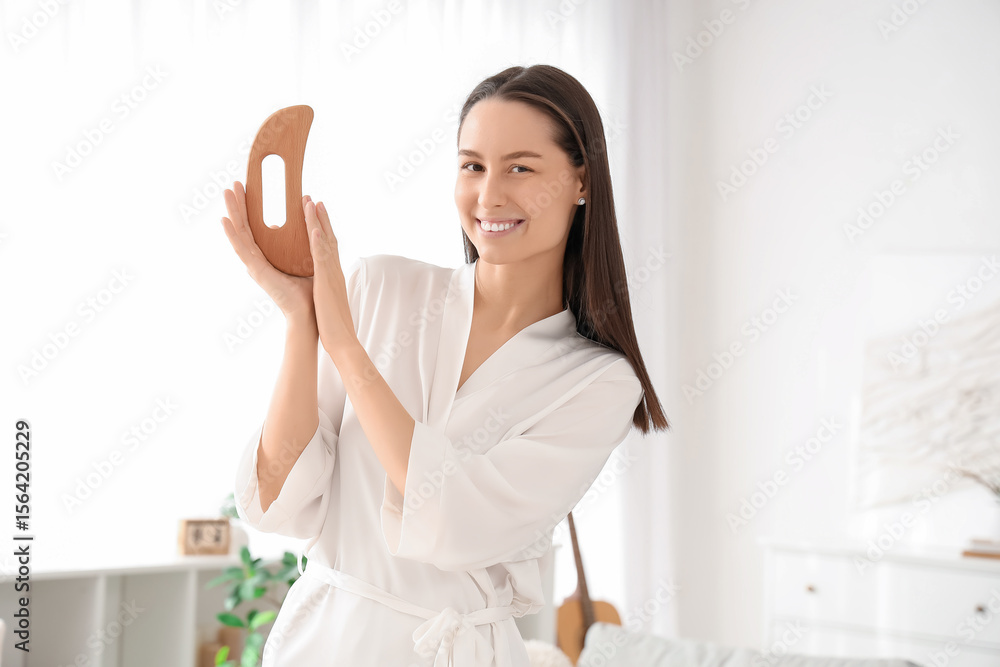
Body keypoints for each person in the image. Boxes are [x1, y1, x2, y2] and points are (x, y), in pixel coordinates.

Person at [221, 64, 669, 667]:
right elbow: (279, 498)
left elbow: (458, 517)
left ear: (581, 180)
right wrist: (304, 322)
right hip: (323, 644)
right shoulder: (381, 287)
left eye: (520, 168)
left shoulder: (597, 382)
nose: (489, 196)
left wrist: (347, 348)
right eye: (472, 166)